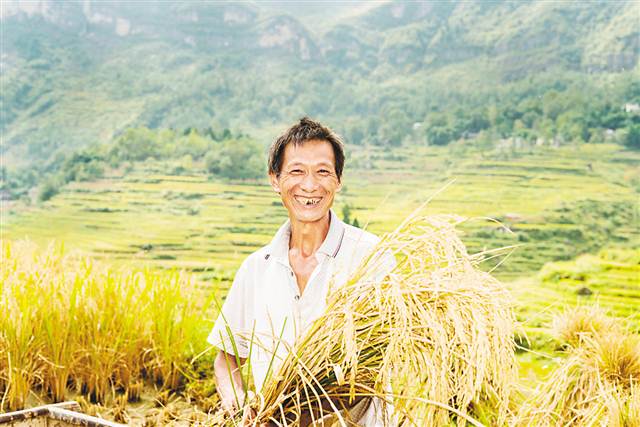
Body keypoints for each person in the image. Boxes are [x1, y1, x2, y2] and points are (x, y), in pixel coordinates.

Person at [208, 117, 394, 426]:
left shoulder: (370, 258)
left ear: (338, 180)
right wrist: (238, 404)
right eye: (296, 171)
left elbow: (371, 367)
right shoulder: (256, 268)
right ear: (275, 180)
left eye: (323, 171)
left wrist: (291, 416)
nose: (309, 185)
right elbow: (226, 359)